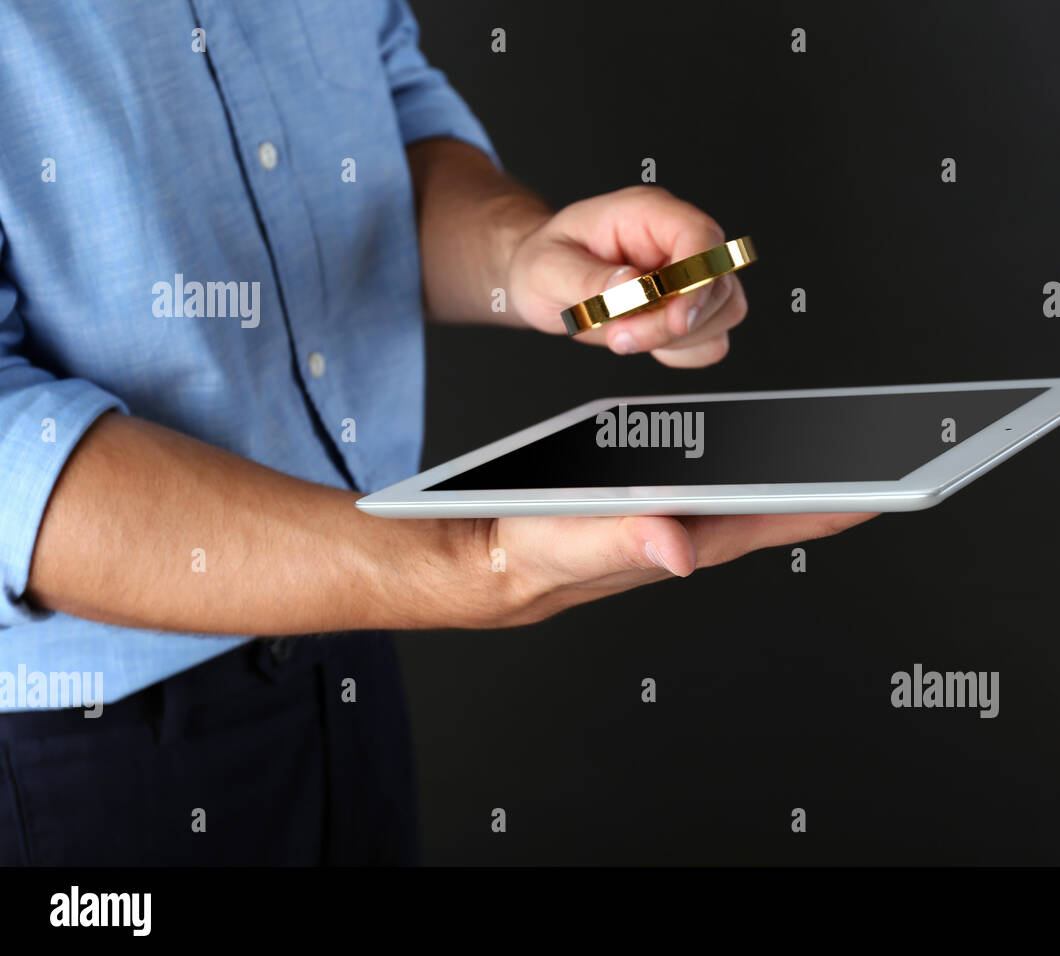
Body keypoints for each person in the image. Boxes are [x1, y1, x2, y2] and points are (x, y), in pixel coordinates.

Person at [0, 0, 872, 864]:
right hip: (78, 756)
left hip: (347, 662)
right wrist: (465, 559)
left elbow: (387, 124)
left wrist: (523, 256)